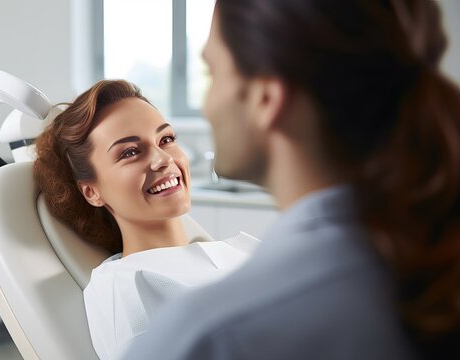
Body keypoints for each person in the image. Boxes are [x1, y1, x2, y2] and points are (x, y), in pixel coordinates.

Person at [122, 0, 460, 359]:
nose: (207, 104)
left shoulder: (208, 336)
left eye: (213, 73)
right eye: (129, 152)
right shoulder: (428, 257)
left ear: (266, 98)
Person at [33, 80, 260, 359]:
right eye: (130, 152)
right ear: (92, 192)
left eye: (166, 139)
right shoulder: (127, 291)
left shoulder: (235, 251)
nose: (163, 159)